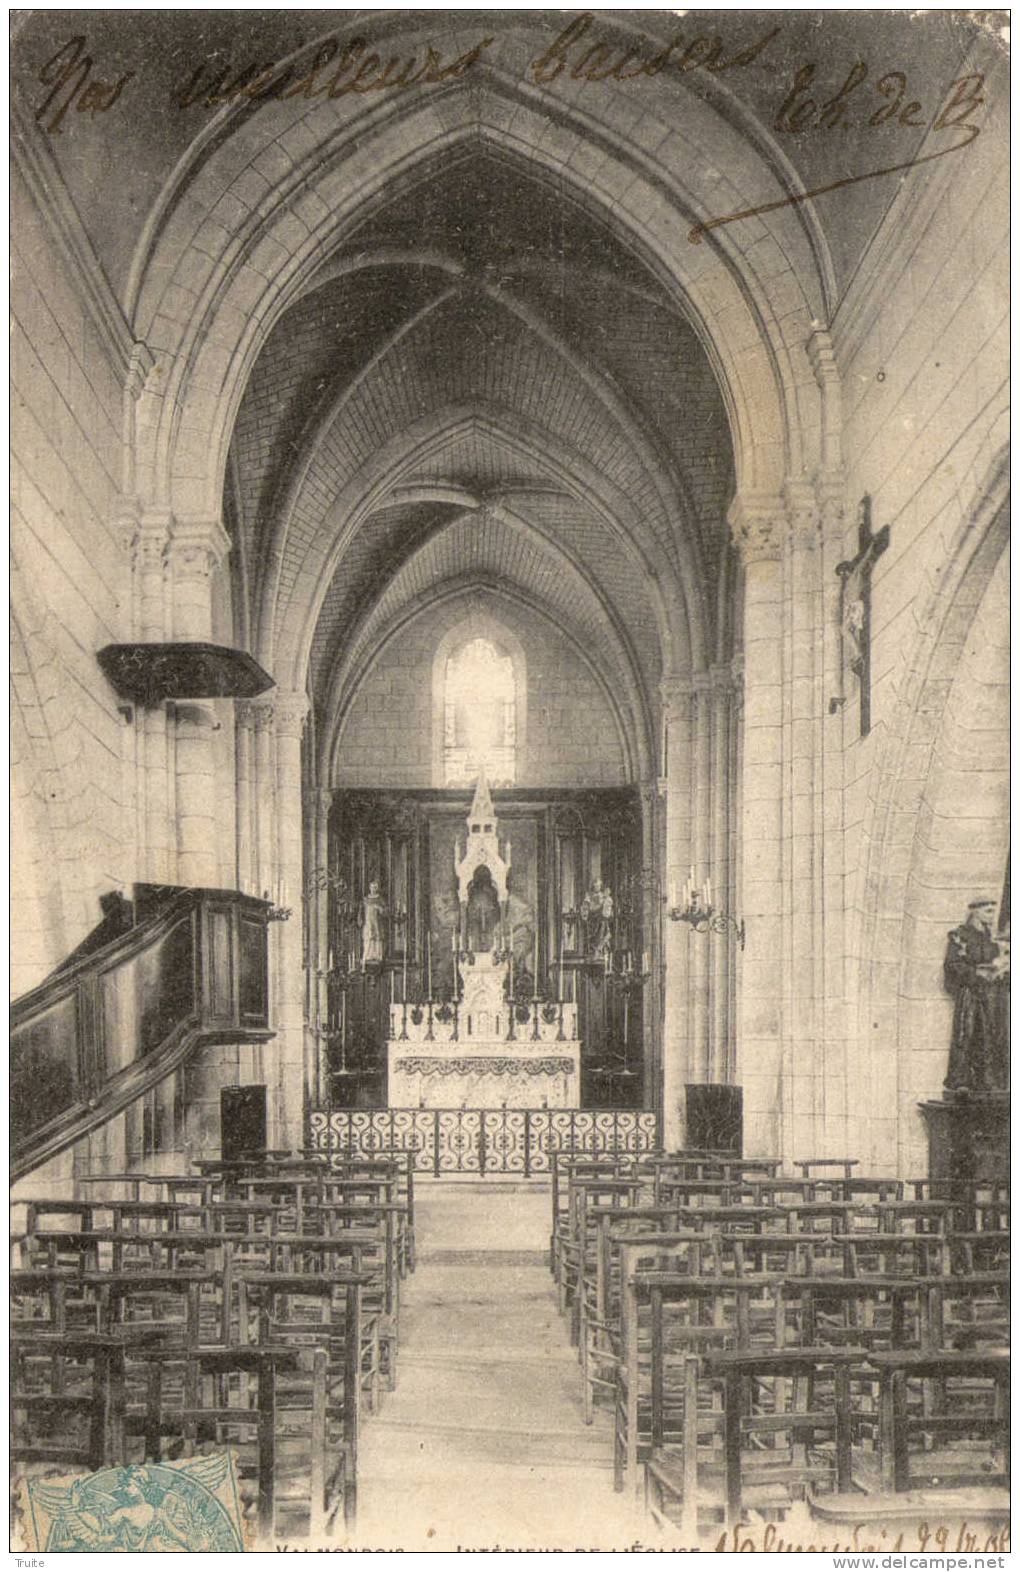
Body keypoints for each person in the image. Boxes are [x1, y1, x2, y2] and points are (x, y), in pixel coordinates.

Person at [943, 897, 1008, 1092]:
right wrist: (976, 973)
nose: (992, 915)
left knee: (992, 1035)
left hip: (993, 997)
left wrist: (1004, 971)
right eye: (987, 911)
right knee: (968, 1033)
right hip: (971, 995)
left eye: (993, 910)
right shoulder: (959, 936)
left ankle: (988, 1081)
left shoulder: (993, 942)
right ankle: (962, 1081)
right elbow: (953, 965)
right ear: (975, 912)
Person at [360, 879, 387, 966]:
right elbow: (361, 911)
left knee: (377, 939)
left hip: (377, 923)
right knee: (368, 939)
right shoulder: (365, 899)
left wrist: (379, 908)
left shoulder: (380, 899)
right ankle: (368, 956)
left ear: (377, 888)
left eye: (375, 887)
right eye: (372, 887)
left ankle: (377, 956)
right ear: (369, 887)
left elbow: (385, 911)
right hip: (368, 923)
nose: (373, 889)